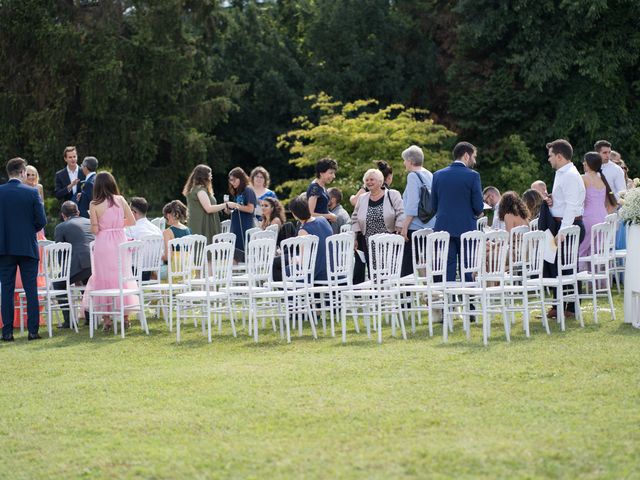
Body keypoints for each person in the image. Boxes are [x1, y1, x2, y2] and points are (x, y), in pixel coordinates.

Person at [81, 172, 137, 331]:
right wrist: (117, 225)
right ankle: (125, 317)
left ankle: (107, 319)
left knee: (103, 277)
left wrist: (102, 226)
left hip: (103, 242)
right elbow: (132, 221)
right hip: (120, 240)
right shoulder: (120, 199)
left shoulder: (94, 204)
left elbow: (95, 229)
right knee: (122, 275)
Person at [0, 158, 47, 341]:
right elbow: (41, 221)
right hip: (27, 246)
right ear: (21, 172)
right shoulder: (32, 193)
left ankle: (7, 332)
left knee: (7, 290)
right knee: (30, 290)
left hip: (4, 248)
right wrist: (28, 231)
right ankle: (33, 331)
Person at [542, 139, 586, 319]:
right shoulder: (562, 173)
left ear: (559, 156)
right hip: (560, 224)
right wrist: (553, 201)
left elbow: (572, 205)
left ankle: (571, 308)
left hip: (569, 226)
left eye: (550, 156)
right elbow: (563, 201)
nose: (549, 159)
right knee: (555, 265)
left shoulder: (570, 175)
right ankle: (558, 304)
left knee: (566, 267)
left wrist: (563, 231)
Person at [431, 142, 484, 282]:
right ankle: (469, 303)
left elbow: (433, 205)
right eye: (474, 156)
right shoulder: (473, 176)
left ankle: (449, 302)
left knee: (447, 268)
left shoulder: (437, 175)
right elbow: (478, 207)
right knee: (467, 267)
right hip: (466, 227)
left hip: (443, 227)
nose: (475, 160)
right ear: (466, 155)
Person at [351, 169, 404, 279]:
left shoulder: (392, 194)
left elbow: (401, 212)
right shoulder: (362, 198)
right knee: (373, 270)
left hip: (389, 239)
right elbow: (355, 218)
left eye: (372, 179)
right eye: (366, 180)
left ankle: (390, 293)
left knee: (390, 269)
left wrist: (399, 229)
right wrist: (355, 237)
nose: (369, 182)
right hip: (369, 241)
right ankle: (375, 294)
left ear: (380, 182)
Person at [53, 201, 95, 328]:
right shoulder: (89, 222)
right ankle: (89, 317)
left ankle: (69, 321)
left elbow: (61, 252)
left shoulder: (61, 227)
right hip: (96, 263)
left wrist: (67, 273)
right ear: (78, 212)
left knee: (58, 283)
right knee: (86, 281)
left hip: (81, 264)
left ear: (63, 215)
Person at [400, 145, 435, 276]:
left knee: (407, 264)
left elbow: (413, 204)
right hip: (431, 224)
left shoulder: (413, 176)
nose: (404, 163)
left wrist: (404, 227)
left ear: (410, 161)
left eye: (404, 160)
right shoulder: (429, 174)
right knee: (426, 261)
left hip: (415, 226)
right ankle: (430, 292)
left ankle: (406, 295)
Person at [578, 152, 617, 267]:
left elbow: (580, 199)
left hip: (588, 217)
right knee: (596, 250)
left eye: (585, 161)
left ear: (588, 163)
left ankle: (577, 276)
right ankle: (595, 280)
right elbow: (609, 203)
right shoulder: (602, 180)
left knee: (582, 248)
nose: (583, 164)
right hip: (603, 217)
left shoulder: (583, 178)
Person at [290, 196, 333, 282]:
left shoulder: (303, 231)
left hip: (317, 271)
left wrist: (294, 259)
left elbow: (303, 262)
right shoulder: (323, 220)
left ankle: (293, 295)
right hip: (332, 267)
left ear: (294, 214)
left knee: (286, 270)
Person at [183, 164, 225, 244]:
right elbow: (208, 208)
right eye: (210, 174)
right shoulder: (200, 190)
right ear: (204, 176)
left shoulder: (197, 189)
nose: (211, 176)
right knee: (201, 248)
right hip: (202, 224)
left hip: (203, 221)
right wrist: (226, 205)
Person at [226, 167, 257, 258]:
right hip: (237, 227)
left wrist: (235, 205)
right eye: (230, 180)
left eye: (234, 180)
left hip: (244, 226)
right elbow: (238, 209)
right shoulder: (238, 192)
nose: (232, 182)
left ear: (240, 178)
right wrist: (228, 209)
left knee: (243, 253)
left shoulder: (248, 190)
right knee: (235, 254)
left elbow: (250, 209)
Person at [306, 158, 338, 223]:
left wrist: (331, 215)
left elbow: (321, 209)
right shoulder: (315, 188)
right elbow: (310, 214)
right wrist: (329, 216)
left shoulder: (322, 186)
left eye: (334, 173)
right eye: (331, 173)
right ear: (321, 173)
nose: (334, 176)